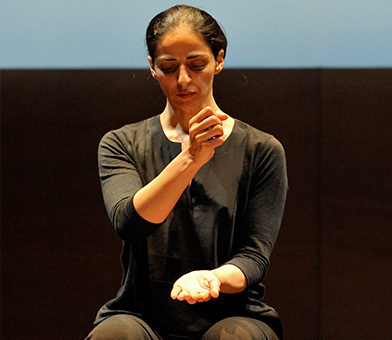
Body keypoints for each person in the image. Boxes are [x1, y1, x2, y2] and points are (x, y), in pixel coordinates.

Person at [86, 5, 287, 340]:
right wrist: (190, 159)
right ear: (152, 67)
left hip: (233, 311)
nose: (183, 79)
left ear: (219, 60)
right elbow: (129, 224)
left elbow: (253, 257)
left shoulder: (261, 150)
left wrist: (214, 279)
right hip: (142, 315)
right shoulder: (122, 143)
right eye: (168, 67)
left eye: (196, 65)